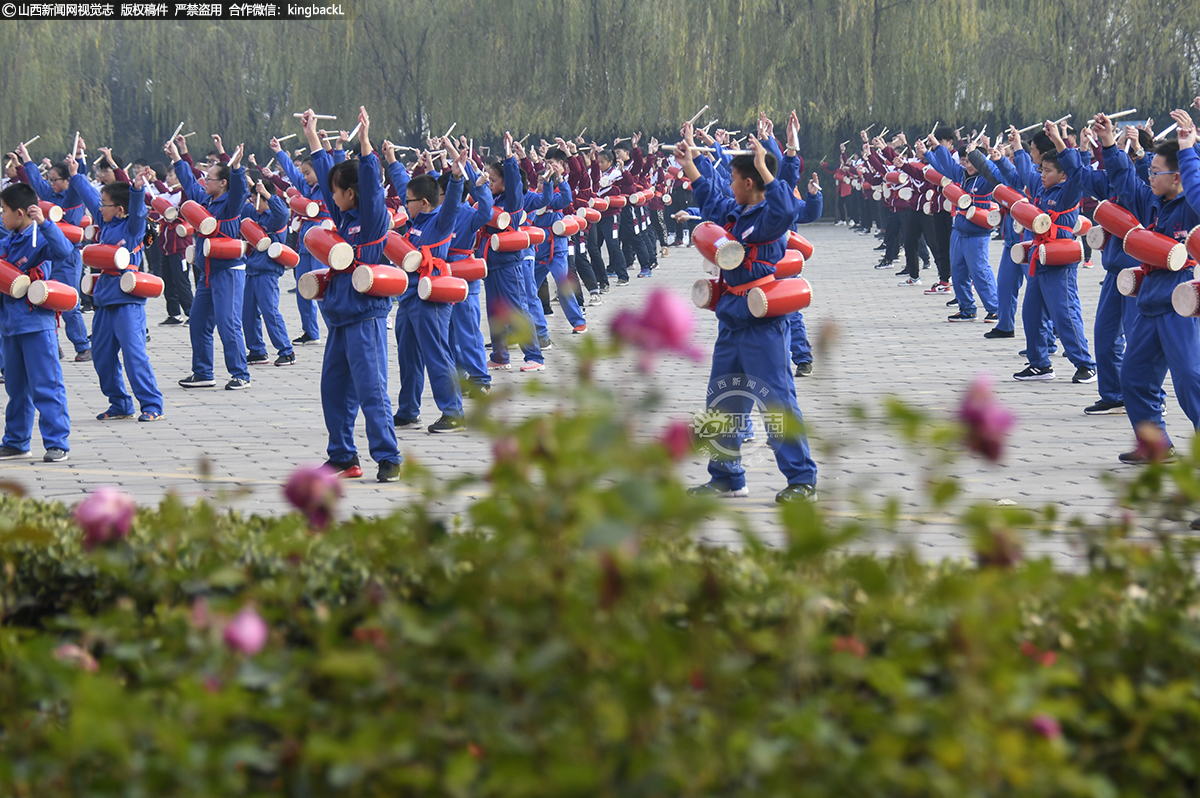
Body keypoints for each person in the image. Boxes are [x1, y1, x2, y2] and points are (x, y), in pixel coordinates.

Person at [675, 128, 818, 503]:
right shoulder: (735, 214)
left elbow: (787, 207)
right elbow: (709, 197)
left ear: (750, 181)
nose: (730, 185)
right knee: (722, 400)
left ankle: (802, 479)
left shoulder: (771, 220)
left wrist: (767, 170)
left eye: (735, 179)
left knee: (777, 402)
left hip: (763, 323)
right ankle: (725, 476)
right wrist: (688, 164)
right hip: (732, 319)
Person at [301, 106, 402, 482]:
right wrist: (312, 136)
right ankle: (343, 457)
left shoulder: (372, 222)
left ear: (350, 193)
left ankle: (388, 457)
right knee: (333, 390)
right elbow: (327, 171)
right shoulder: (342, 221)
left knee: (371, 392)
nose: (331, 197)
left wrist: (364, 143)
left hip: (366, 318)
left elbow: (373, 188)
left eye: (335, 191)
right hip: (340, 319)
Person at [1098, 111, 1200, 462]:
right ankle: (1155, 445)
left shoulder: (1191, 207)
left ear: (1178, 176)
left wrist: (1189, 150)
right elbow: (1126, 184)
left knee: (1191, 383)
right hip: (1151, 302)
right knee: (1134, 377)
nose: (1150, 176)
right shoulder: (1153, 202)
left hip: (1182, 303)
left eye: (1156, 172)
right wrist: (1110, 145)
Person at [1000, 123, 1096, 383]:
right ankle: (1040, 364)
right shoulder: (1041, 188)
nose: (1042, 173)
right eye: (1043, 168)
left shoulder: (1068, 194)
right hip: (1039, 259)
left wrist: (1072, 146)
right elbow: (1024, 170)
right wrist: (1018, 146)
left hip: (1059, 260)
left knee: (1065, 314)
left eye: (1049, 170)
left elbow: (1079, 173)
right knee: (1031, 313)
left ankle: (1085, 364)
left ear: (1063, 175)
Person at [72, 163, 165, 422]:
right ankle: (120, 403)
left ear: (120, 209)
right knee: (101, 356)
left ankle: (151, 404)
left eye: (105, 204)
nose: (100, 209)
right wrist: (75, 175)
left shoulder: (132, 229)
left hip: (127, 301)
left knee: (134, 355)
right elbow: (91, 199)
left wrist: (136, 190)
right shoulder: (105, 221)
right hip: (104, 298)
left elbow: (136, 212)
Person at [390, 138, 467, 433]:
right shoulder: (414, 222)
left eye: (407, 201)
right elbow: (404, 187)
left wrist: (457, 177)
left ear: (423, 202)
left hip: (431, 295)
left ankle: (453, 412)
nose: (403, 203)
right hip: (408, 295)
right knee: (407, 355)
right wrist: (393, 160)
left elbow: (451, 202)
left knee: (436, 353)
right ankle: (409, 410)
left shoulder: (440, 221)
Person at [167, 134, 251, 391]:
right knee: (199, 321)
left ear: (223, 183)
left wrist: (237, 167)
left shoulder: (230, 204)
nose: (205, 181)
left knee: (228, 324)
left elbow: (240, 189)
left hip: (228, 271)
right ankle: (203, 372)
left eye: (210, 178)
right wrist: (177, 157)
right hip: (207, 272)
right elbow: (190, 183)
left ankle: (241, 374)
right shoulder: (205, 200)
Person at [0, 183, 73, 462]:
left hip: (35, 324)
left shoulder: (40, 239)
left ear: (20, 213)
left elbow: (65, 252)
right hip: (9, 325)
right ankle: (16, 441)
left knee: (46, 385)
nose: (1, 216)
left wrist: (45, 224)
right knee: (15, 388)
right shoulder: (7, 240)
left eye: (4, 211)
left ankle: (57, 443)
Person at [16, 141, 92, 361]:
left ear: (68, 180)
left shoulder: (72, 198)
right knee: (45, 298)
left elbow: (80, 183)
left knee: (68, 301)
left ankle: (82, 345)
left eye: (55, 179)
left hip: (67, 255)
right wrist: (27, 159)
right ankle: (53, 344)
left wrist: (79, 159)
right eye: (50, 180)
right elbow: (37, 183)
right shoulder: (50, 196)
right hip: (48, 254)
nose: (51, 183)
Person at [240, 175, 295, 366]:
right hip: (252, 269)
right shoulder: (253, 213)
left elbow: (283, 213)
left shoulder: (274, 219)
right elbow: (239, 204)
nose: (252, 201)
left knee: (269, 311)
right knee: (247, 312)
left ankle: (287, 351)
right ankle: (257, 351)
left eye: (256, 198)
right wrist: (247, 184)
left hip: (268, 271)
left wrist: (268, 195)